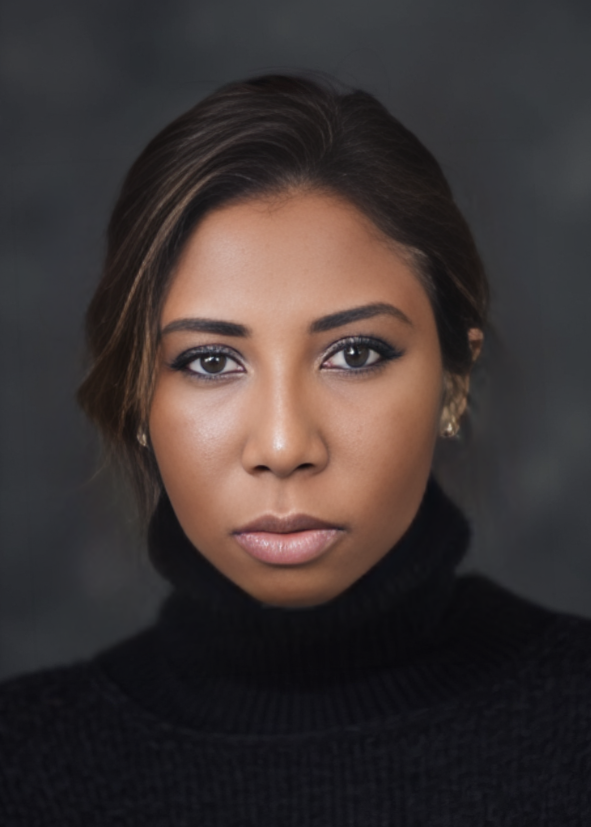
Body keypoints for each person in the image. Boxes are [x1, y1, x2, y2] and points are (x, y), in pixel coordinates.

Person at [1, 74, 590, 826]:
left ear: (453, 384)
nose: (283, 445)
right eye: (210, 361)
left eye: (354, 353)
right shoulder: (23, 765)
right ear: (133, 398)